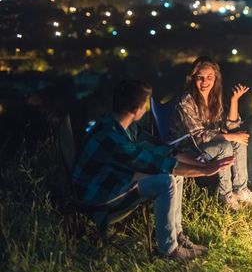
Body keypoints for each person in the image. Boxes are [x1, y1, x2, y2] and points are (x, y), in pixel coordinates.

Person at [72, 79, 234, 262]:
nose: (146, 111)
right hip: (98, 196)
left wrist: (203, 165)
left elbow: (161, 149)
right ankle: (169, 251)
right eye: (144, 107)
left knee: (173, 175)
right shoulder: (114, 139)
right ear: (136, 110)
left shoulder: (121, 124)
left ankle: (177, 234)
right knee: (165, 182)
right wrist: (206, 171)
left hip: (111, 178)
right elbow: (160, 164)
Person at [170, 56, 252, 210]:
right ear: (193, 78)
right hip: (187, 148)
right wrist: (231, 136)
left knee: (237, 141)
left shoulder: (216, 98)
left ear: (215, 78)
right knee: (225, 145)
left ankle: (241, 190)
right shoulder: (187, 100)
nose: (205, 82)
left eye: (209, 77)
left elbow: (231, 126)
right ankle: (225, 194)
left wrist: (234, 101)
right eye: (200, 77)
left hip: (209, 145)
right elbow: (197, 136)